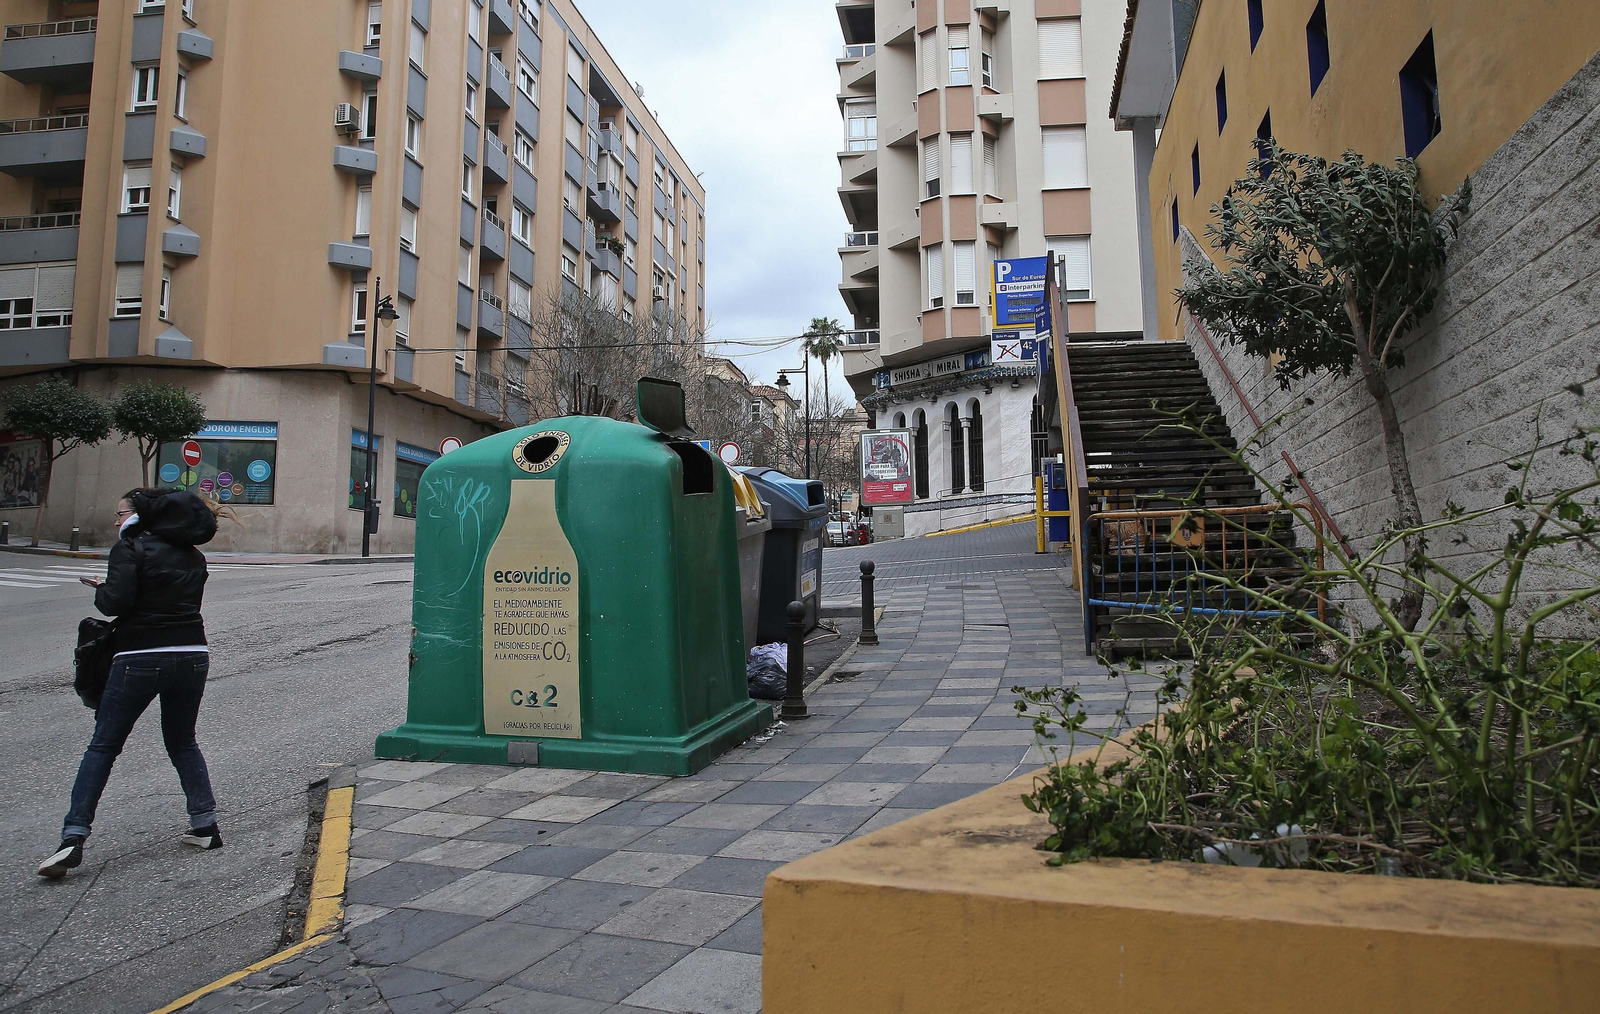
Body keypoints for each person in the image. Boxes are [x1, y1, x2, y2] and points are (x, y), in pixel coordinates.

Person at [38, 487, 223, 878]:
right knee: (183, 741)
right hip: (193, 653)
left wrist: (102, 590)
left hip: (140, 655)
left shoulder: (130, 548)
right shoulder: (193, 555)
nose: (116, 521)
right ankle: (205, 825)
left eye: (120, 514)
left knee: (103, 746)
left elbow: (116, 603)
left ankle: (73, 837)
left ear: (138, 516)